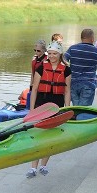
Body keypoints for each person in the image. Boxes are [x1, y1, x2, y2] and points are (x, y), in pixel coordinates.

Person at [26, 42, 71, 178]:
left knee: (51, 136)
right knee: (38, 135)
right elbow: (34, 89)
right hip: (41, 103)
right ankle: (33, 168)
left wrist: (67, 109)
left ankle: (44, 165)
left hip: (56, 104)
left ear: (60, 54)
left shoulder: (66, 70)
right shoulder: (41, 67)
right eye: (50, 53)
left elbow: (67, 91)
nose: (52, 56)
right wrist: (32, 109)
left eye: (55, 53)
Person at [64, 28, 97, 106]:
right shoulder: (96, 50)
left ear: (81, 38)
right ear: (92, 39)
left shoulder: (72, 48)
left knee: (76, 107)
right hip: (88, 84)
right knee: (83, 109)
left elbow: (64, 60)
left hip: (73, 83)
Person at [18, 39, 48, 108]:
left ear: (44, 50)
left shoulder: (47, 60)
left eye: (38, 51)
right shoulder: (34, 59)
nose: (36, 52)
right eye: (35, 50)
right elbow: (32, 72)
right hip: (34, 84)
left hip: (42, 85)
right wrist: (31, 85)